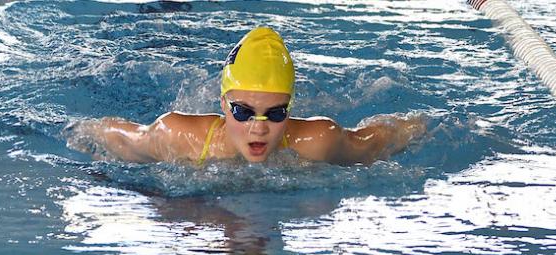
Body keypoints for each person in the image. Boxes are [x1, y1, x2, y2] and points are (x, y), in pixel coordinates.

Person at [66, 27, 425, 165]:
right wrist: (82, 135)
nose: (259, 128)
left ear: (290, 109)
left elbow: (379, 138)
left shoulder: (317, 141)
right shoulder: (177, 136)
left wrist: (424, 126)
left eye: (275, 113)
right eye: (242, 111)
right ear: (222, 105)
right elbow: (110, 133)